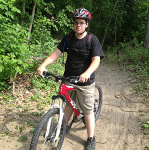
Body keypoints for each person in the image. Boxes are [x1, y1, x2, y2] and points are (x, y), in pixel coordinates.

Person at [37, 8, 104, 150]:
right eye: (76, 22)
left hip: (85, 82)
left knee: (87, 111)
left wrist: (87, 73)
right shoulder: (68, 38)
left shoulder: (92, 40)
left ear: (86, 24)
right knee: (68, 104)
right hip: (69, 78)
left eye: (81, 22)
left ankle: (91, 138)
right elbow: (55, 54)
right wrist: (43, 65)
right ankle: (63, 127)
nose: (78, 25)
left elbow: (96, 60)